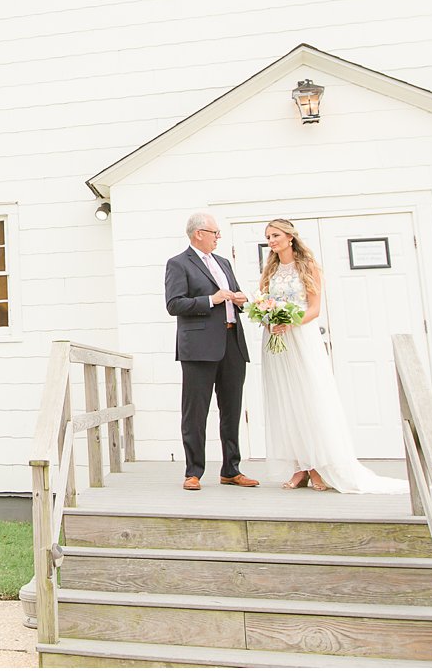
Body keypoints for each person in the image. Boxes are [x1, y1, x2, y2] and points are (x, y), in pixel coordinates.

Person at [259, 218, 406, 494]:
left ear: (290, 237)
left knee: (308, 399)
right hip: (276, 340)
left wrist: (289, 322)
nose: (271, 241)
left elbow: (314, 309)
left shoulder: (308, 267)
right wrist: (269, 322)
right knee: (286, 402)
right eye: (268, 237)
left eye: (275, 235)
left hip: (301, 337)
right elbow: (264, 303)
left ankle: (317, 466)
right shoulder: (271, 269)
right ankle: (298, 467)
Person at [165, 211, 259, 491]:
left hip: (232, 343)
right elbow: (174, 304)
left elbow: (235, 295)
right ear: (199, 234)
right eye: (215, 233)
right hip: (199, 348)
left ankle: (231, 469)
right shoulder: (178, 264)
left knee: (231, 410)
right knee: (195, 412)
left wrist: (241, 300)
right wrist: (210, 299)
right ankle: (193, 472)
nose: (219, 237)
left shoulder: (224, 262)